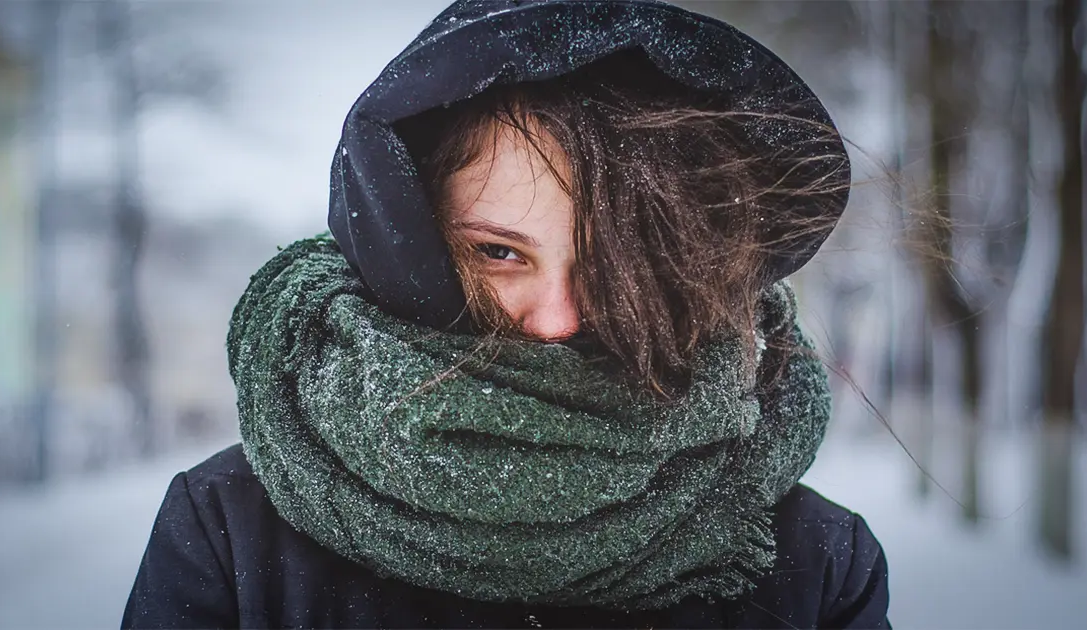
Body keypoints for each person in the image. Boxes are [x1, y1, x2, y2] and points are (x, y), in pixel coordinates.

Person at [122, 0, 890, 628]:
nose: (558, 320)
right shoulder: (229, 531)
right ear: (409, 242)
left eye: (620, 267)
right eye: (498, 251)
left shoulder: (816, 563)